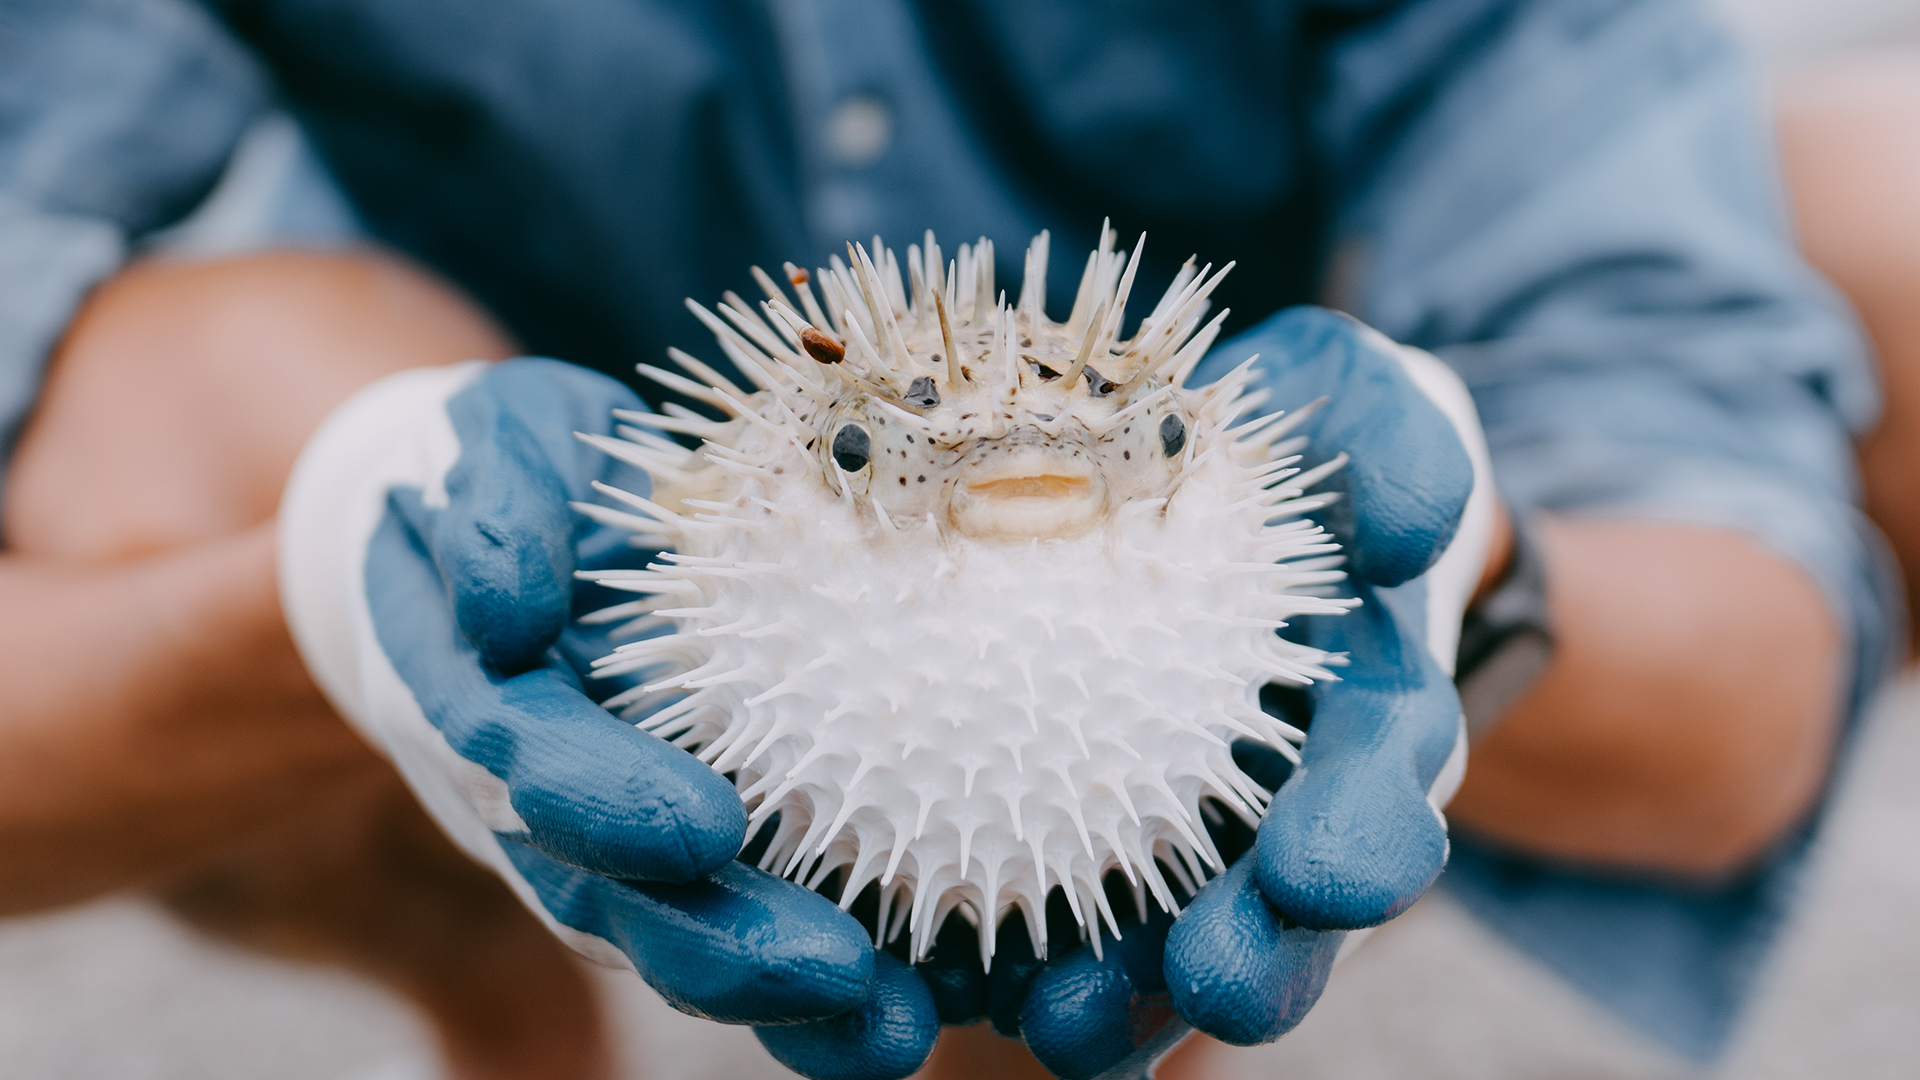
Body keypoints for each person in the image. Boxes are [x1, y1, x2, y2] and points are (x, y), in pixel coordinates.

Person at [0, 1, 1908, 1077]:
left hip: (1224, 537)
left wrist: (1466, 548)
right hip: (568, 481)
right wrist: (333, 567)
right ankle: (489, 996)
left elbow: (1734, 716)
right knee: (197, 391)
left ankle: (1108, 1004)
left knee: (1885, 201)